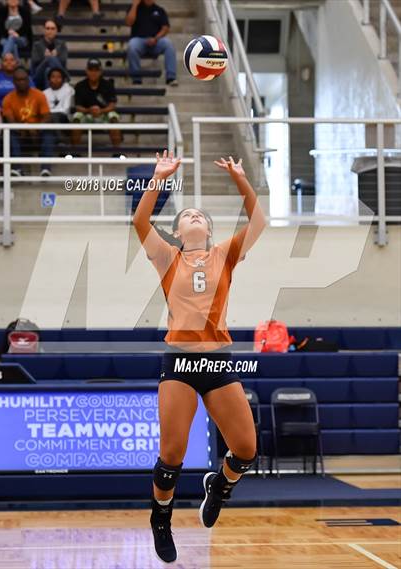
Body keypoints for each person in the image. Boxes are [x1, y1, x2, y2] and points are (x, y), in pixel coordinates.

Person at [132, 150, 266, 563]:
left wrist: (241, 179)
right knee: (172, 453)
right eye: (186, 215)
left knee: (245, 449)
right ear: (176, 230)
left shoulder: (224, 254)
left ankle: (219, 487)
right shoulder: (167, 257)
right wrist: (159, 177)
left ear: (208, 230)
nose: (193, 216)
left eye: (200, 216)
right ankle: (161, 517)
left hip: (217, 361)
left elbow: (259, 221)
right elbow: (139, 222)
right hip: (180, 362)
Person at [2, 66, 54, 176]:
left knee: (49, 134)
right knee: (10, 134)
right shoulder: (8, 99)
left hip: (37, 133)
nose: (22, 82)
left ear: (28, 80)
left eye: (24, 79)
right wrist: (24, 129)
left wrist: (36, 128)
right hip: (20, 134)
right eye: (18, 80)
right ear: (14, 82)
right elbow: (11, 121)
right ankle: (17, 169)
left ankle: (45, 169)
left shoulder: (39, 95)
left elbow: (47, 116)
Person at [126, 0, 177, 86]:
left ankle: (171, 77)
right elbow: (129, 22)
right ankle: (136, 78)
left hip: (156, 40)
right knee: (131, 45)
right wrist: (134, 5)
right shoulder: (134, 9)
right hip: (139, 40)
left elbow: (165, 28)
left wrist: (156, 38)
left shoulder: (159, 10)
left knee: (169, 44)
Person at [72, 58, 121, 148]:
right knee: (76, 118)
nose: (93, 73)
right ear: (86, 71)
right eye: (91, 70)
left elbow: (112, 105)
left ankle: (117, 151)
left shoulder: (108, 85)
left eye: (96, 70)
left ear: (101, 71)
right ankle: (75, 151)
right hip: (86, 114)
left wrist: (101, 111)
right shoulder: (80, 86)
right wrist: (88, 110)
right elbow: (78, 107)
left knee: (113, 117)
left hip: (104, 113)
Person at [31, 19, 68, 90]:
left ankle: (48, 97)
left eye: (52, 29)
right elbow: (35, 62)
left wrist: (54, 57)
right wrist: (45, 58)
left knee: (48, 70)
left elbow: (63, 61)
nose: (50, 31)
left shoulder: (61, 44)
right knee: (50, 59)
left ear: (56, 31)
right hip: (38, 75)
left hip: (56, 75)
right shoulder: (37, 45)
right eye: (47, 28)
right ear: (44, 30)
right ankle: (66, 77)